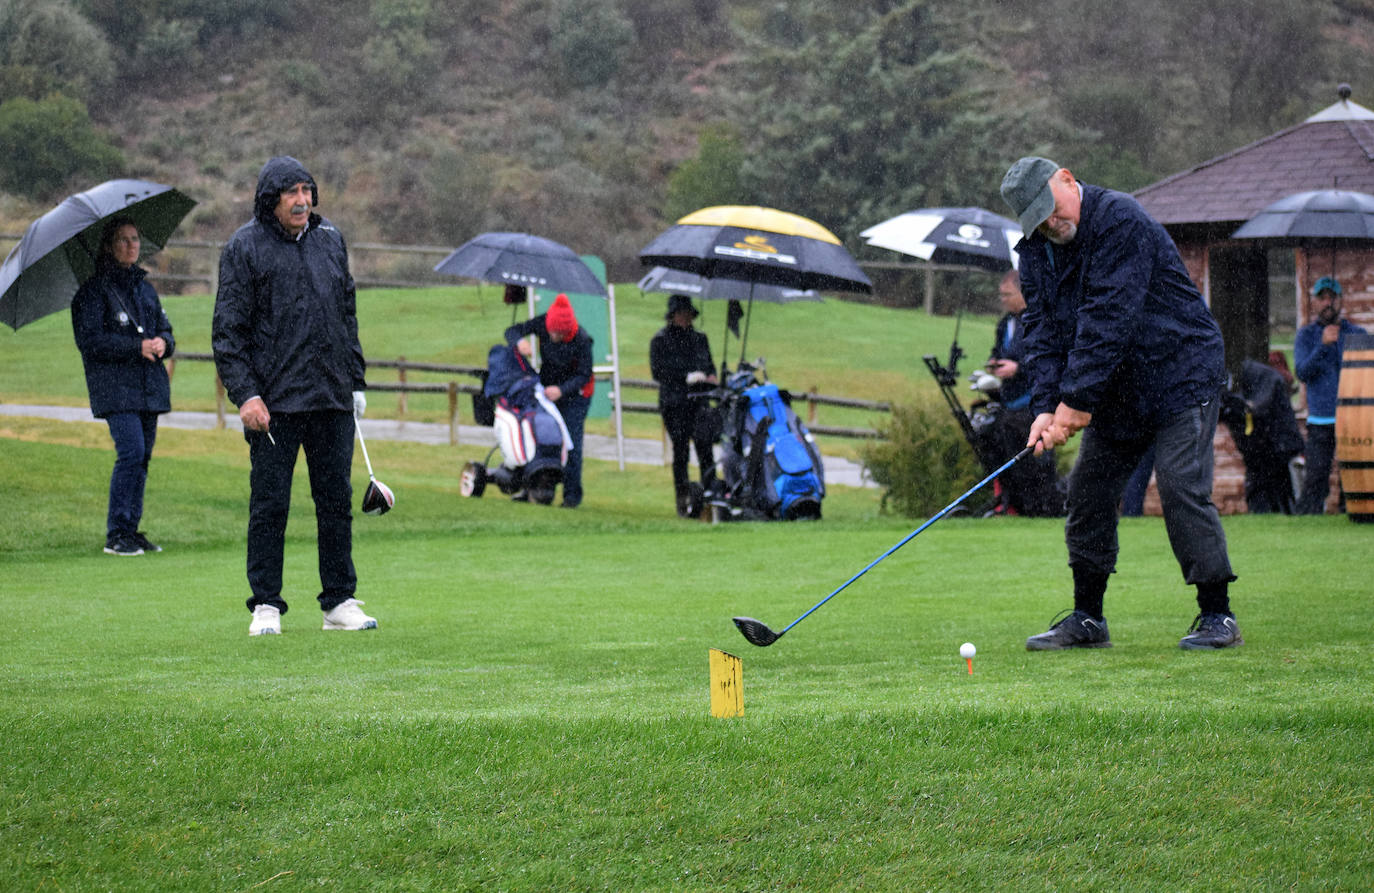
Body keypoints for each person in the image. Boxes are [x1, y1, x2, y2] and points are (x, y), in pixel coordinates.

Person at [1000, 155, 1240, 651]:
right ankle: (1088, 619)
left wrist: (1076, 401)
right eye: (1037, 219)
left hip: (1180, 373)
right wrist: (1047, 405)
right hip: (1117, 388)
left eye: (1052, 208)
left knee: (1179, 487)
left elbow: (1109, 318)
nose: (1050, 222)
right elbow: (1041, 331)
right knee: (1088, 490)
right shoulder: (1034, 251)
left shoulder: (1121, 220)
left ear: (1068, 179)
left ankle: (1217, 614)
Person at [212, 156, 376, 637]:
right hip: (273, 405)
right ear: (271, 200)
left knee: (335, 502)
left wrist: (356, 381)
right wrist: (245, 395)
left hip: (330, 396)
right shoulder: (244, 247)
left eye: (306, 190)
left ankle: (338, 600)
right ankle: (265, 604)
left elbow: (347, 315)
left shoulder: (330, 240)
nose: (301, 200)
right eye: (291, 193)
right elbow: (228, 332)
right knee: (270, 505)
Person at [71, 217, 175, 557]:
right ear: (108, 246)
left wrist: (163, 343)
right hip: (116, 389)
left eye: (135, 239)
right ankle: (116, 534)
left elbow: (166, 330)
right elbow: (90, 341)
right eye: (123, 240)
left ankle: (130, 529)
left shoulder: (144, 288)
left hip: (148, 387)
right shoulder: (92, 291)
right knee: (130, 452)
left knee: (142, 457)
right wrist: (136, 347)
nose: (132, 246)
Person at [983, 269, 1063, 517]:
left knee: (1035, 459)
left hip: (1033, 400)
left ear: (1022, 292)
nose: (1003, 300)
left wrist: (1018, 368)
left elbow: (1046, 358)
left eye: (1007, 295)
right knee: (1004, 449)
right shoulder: (1004, 323)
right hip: (1010, 399)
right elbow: (998, 350)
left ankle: (1044, 507)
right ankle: (1017, 504)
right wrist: (995, 363)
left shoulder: (1038, 320)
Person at [503, 293, 594, 508]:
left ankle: (571, 498)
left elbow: (584, 375)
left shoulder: (582, 339)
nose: (551, 335)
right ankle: (532, 489)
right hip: (547, 391)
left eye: (557, 333)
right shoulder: (545, 322)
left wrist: (561, 390)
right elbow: (512, 331)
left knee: (571, 443)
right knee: (536, 436)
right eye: (550, 332)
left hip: (575, 395)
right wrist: (520, 341)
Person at [1294, 276, 1367, 514]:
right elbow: (1303, 372)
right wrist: (1323, 345)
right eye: (1322, 298)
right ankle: (1310, 517)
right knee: (1316, 475)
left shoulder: (1356, 333)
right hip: (1321, 419)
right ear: (1315, 302)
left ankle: (1353, 512)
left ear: (1340, 301)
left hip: (1353, 418)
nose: (1328, 303)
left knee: (1355, 474)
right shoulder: (1306, 336)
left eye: (1332, 297)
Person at [650, 294, 719, 517]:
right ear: (672, 316)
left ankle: (710, 495)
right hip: (674, 402)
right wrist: (684, 377)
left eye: (688, 314)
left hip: (699, 401)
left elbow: (709, 366)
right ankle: (684, 498)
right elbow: (659, 372)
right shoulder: (660, 340)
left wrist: (709, 377)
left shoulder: (700, 339)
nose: (685, 318)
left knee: (705, 448)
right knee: (681, 451)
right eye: (681, 314)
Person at [1220, 358, 1305, 514]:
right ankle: (1271, 513)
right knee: (1264, 486)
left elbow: (1256, 407)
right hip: (1265, 446)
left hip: (1275, 445)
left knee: (1276, 489)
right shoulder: (1236, 373)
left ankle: (1279, 513)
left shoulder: (1258, 375)